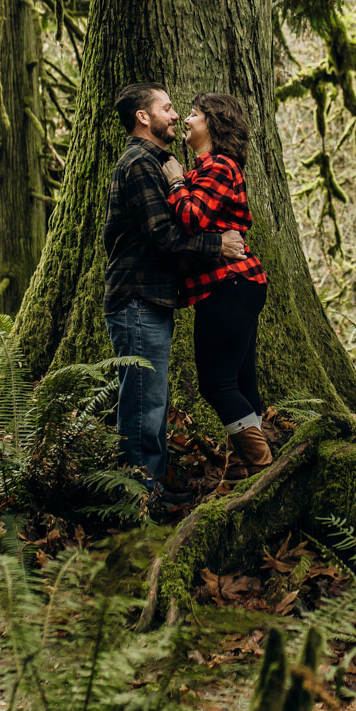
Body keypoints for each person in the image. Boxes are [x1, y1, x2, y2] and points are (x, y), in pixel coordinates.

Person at [103, 83, 247, 503]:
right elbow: (163, 235)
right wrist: (217, 245)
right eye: (167, 108)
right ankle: (137, 499)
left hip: (150, 298)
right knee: (143, 401)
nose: (176, 115)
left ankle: (150, 488)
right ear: (143, 117)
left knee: (150, 398)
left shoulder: (156, 162)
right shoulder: (140, 164)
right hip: (136, 299)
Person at [164, 92, 271, 478]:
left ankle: (263, 471)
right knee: (242, 379)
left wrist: (176, 183)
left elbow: (191, 217)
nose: (186, 120)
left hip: (229, 286)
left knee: (216, 383)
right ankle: (240, 473)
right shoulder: (207, 171)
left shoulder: (219, 167)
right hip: (236, 286)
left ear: (213, 124)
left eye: (193, 114)